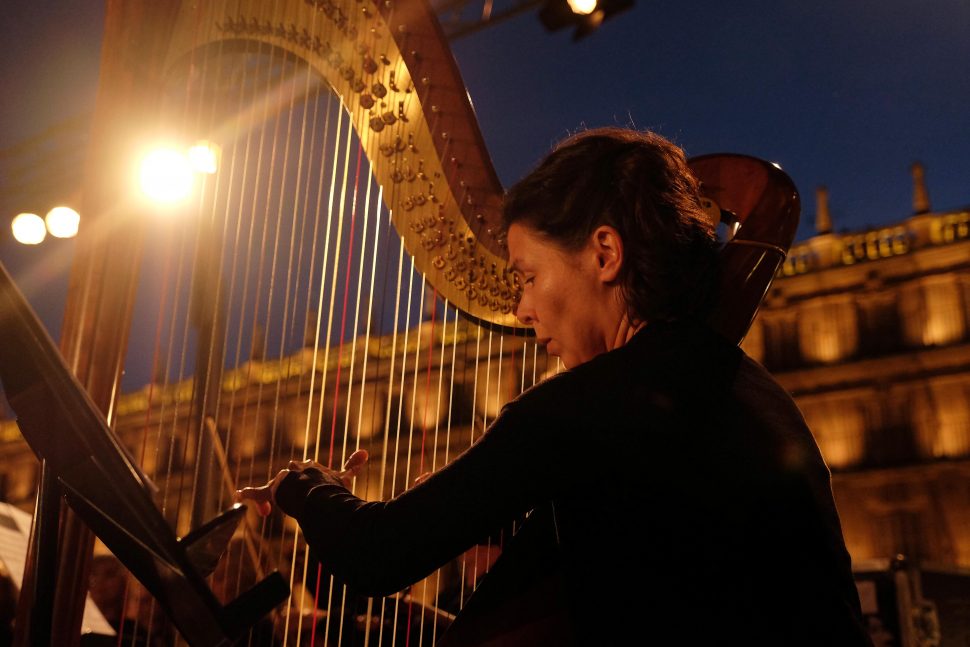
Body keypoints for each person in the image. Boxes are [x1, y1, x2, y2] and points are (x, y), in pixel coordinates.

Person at [238, 127, 871, 645]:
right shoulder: (757, 394)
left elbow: (374, 556)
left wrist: (303, 485)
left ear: (605, 254)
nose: (520, 309)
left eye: (529, 276)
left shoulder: (583, 409)